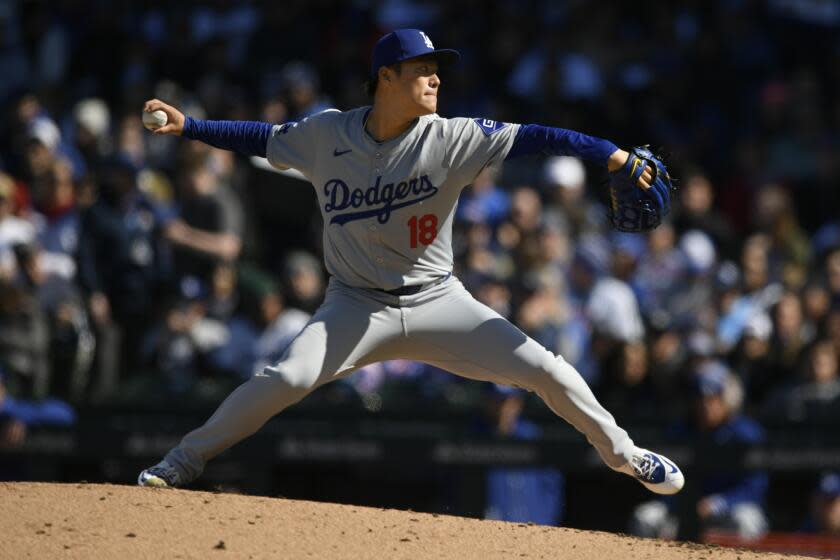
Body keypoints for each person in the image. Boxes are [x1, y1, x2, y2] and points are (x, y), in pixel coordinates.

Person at [137, 28, 684, 496]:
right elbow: (259, 137)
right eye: (422, 69)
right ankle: (182, 461)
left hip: (437, 301)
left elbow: (541, 138)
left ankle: (626, 454)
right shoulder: (326, 134)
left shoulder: (451, 137)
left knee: (545, 368)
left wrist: (610, 152)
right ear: (386, 79)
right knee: (284, 377)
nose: (436, 79)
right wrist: (190, 127)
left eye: (436, 70)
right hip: (354, 305)